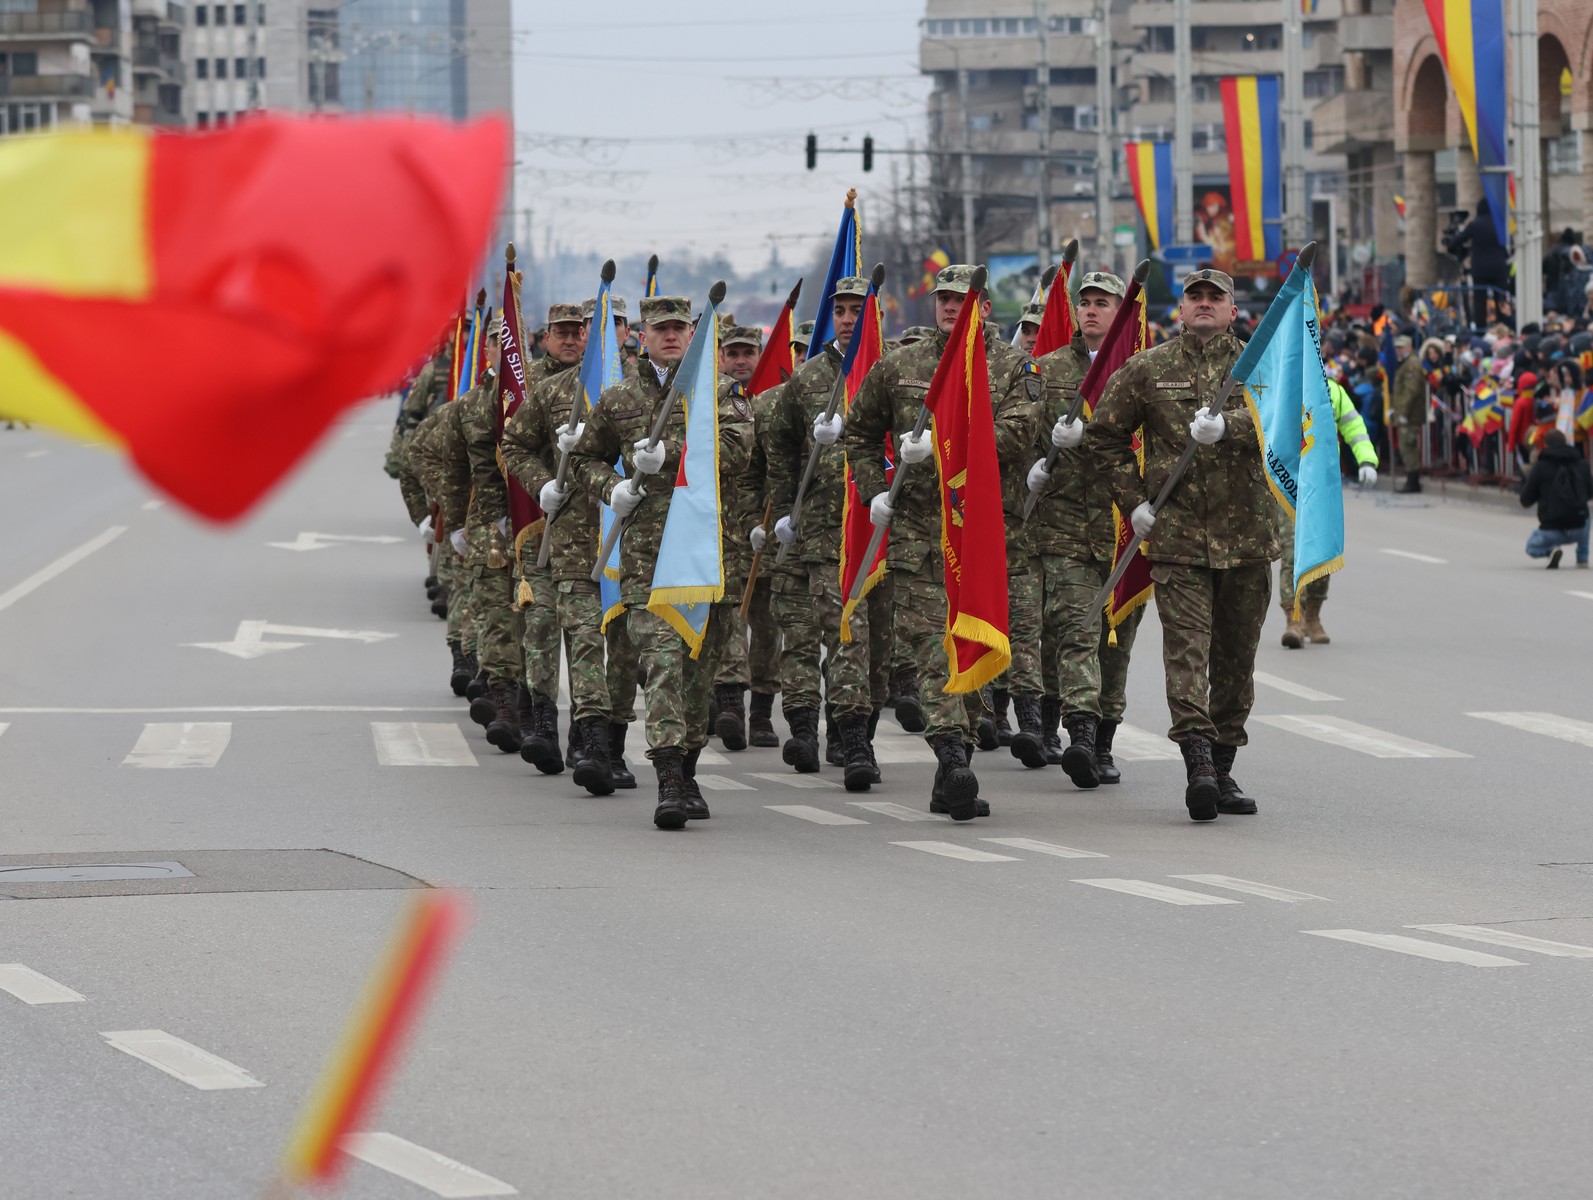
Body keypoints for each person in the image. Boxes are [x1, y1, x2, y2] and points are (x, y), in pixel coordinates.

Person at [844, 264, 1033, 820]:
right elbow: (859, 431)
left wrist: (947, 447)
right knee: (930, 653)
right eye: (944, 298)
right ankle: (953, 760)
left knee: (972, 654)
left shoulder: (1013, 366)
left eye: (962, 299)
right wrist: (874, 490)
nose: (952, 307)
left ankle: (955, 763)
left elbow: (1020, 433)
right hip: (916, 538)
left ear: (984, 305)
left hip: (979, 539)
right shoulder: (901, 363)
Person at [1087, 268, 1276, 822]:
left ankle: (1223, 766)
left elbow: (1298, 422)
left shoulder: (1261, 365)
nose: (1203, 304)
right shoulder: (1149, 368)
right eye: (1194, 296)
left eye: (1215, 297)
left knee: (1236, 661)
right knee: (1187, 655)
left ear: (1233, 309)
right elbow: (1103, 435)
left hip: (1247, 541)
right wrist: (1133, 501)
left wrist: (1236, 427)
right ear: (1181, 307)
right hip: (1177, 538)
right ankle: (1197, 764)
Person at [567, 295, 731, 829]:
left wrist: (676, 456)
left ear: (693, 333)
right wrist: (612, 487)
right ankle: (668, 781)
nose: (671, 335)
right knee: (661, 667)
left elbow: (741, 449)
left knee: (697, 676)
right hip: (646, 561)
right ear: (643, 333)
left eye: (680, 327)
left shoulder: (717, 393)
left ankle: (688, 769)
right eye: (660, 328)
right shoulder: (618, 398)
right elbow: (583, 459)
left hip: (704, 557)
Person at [767, 276, 894, 789]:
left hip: (882, 525)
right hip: (825, 532)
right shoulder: (807, 380)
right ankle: (851, 740)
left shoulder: (890, 371)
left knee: (881, 646)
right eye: (840, 310)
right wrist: (781, 512)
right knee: (847, 636)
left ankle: (857, 728)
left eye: (856, 310)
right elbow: (779, 449)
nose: (847, 318)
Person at [1019, 270, 1145, 787]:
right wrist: (1038, 458)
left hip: (1125, 525)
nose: (1092, 311)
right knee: (1076, 629)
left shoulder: (1141, 369)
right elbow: (1019, 430)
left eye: (1103, 303)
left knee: (1117, 643)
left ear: (1121, 313)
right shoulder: (1045, 369)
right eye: (1085, 302)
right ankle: (1081, 736)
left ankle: (1106, 740)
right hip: (1065, 524)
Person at [1279, 377, 1379, 648]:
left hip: (1323, 484)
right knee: (1291, 553)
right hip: (1289, 483)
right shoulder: (1281, 385)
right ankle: (1293, 619)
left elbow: (1353, 426)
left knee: (1322, 553)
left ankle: (1313, 617)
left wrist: (1366, 459)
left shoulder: (1331, 389)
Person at [1519, 429, 1591, 568]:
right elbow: (1589, 493)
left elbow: (1525, 500)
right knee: (1586, 512)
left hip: (1551, 529)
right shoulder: (1582, 464)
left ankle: (1551, 551)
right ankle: (1582, 557)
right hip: (1579, 528)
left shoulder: (1541, 467)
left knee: (1531, 548)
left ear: (1545, 445)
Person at [1390, 334, 1427, 493]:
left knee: (1408, 446)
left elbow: (1411, 391)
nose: (1398, 350)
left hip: (1410, 414)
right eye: (1397, 347)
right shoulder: (1404, 363)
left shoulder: (1411, 364)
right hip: (1404, 412)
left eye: (1401, 347)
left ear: (1409, 347)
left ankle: (1413, 481)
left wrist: (1403, 412)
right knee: (1406, 446)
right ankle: (1411, 478)